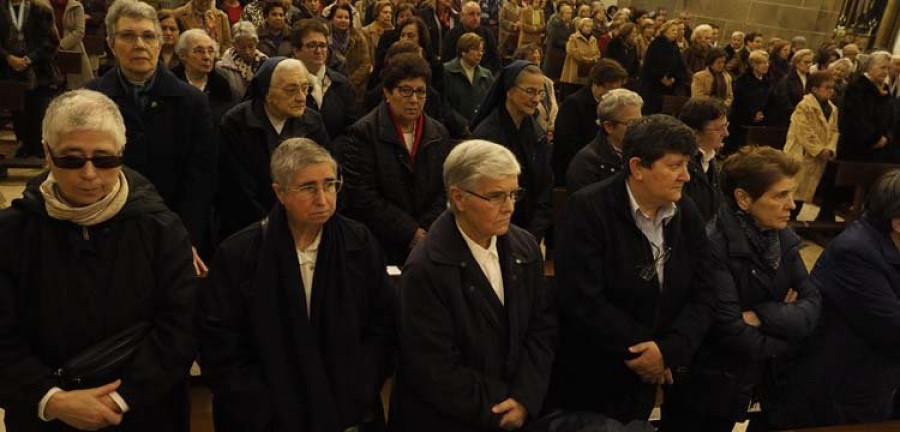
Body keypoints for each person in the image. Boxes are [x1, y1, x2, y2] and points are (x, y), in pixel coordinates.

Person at [0, 89, 196, 431]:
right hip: (45, 414)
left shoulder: (161, 227)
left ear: (122, 153)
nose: (89, 173)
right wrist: (52, 399)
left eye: (104, 159)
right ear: (47, 153)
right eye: (72, 159)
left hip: (144, 411)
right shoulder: (12, 233)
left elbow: (181, 325)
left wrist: (120, 399)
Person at [200, 138, 395, 432]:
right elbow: (220, 345)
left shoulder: (359, 243)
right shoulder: (240, 255)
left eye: (330, 184)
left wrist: (360, 388)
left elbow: (382, 325)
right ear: (280, 193)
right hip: (266, 416)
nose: (323, 198)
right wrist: (265, 410)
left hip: (347, 410)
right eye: (308, 188)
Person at [547, 114, 714, 425]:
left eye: (687, 165)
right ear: (638, 167)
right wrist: (646, 352)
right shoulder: (588, 210)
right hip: (594, 372)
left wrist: (669, 350)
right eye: (674, 165)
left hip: (653, 370)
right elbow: (582, 300)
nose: (686, 176)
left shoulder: (685, 212)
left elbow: (704, 290)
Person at [391, 139, 557, 432]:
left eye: (513, 194)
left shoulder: (525, 246)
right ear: (459, 197)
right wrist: (502, 407)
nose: (509, 207)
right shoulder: (426, 268)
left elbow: (541, 328)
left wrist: (525, 398)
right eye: (495, 196)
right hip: (448, 420)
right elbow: (434, 367)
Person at [661, 146, 820, 431]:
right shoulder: (713, 246)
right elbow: (732, 330)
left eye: (790, 194)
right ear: (744, 199)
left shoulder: (783, 238)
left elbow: (812, 303)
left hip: (754, 377)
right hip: (707, 386)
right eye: (780, 195)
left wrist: (761, 314)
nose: (791, 205)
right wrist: (788, 335)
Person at [86, 0, 215, 275]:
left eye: (148, 36)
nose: (139, 44)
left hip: (172, 228)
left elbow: (200, 179)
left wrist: (185, 238)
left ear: (160, 42)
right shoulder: (91, 98)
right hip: (106, 229)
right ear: (111, 43)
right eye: (127, 36)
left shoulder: (192, 102)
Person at [767, 170, 900, 428]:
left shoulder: (887, 242)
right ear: (897, 222)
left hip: (873, 384)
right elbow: (893, 327)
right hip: (837, 393)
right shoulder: (857, 252)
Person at [337, 53, 450, 265]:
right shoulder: (364, 133)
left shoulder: (438, 133)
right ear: (387, 92)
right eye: (405, 90)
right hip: (382, 243)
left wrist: (425, 231)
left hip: (429, 240)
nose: (414, 99)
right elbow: (362, 195)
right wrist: (410, 233)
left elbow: (445, 188)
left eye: (420, 92)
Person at [217, 57, 330, 240]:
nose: (302, 97)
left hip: (305, 224)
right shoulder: (237, 123)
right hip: (252, 230)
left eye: (305, 88)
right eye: (291, 90)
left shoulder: (312, 121)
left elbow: (325, 175)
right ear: (266, 92)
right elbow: (238, 191)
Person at [471, 61, 554, 243]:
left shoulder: (537, 135)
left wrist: (533, 235)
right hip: (492, 232)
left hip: (530, 233)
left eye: (540, 93)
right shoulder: (486, 135)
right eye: (530, 91)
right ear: (509, 91)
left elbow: (545, 188)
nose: (536, 99)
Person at [553, 59, 627, 185]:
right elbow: (566, 146)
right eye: (610, 89)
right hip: (579, 171)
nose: (614, 94)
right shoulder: (574, 104)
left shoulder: (613, 105)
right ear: (596, 84)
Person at [1, 0, 58, 159]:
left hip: (38, 71)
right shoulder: (2, 8)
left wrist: (30, 58)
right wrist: (8, 57)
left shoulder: (40, 9)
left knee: (37, 111)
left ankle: (39, 149)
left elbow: (51, 42)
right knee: (18, 113)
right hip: (8, 71)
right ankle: (22, 147)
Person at [291, 18, 361, 140]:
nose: (318, 51)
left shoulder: (341, 84)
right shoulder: (287, 85)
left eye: (323, 45)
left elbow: (353, 128)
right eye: (312, 45)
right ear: (297, 50)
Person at [784, 71, 839, 218]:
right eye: (827, 87)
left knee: (808, 190)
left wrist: (830, 148)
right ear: (814, 89)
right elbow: (804, 130)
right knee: (795, 191)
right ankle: (786, 220)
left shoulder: (833, 108)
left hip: (821, 156)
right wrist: (819, 150)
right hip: (802, 154)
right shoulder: (804, 106)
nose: (831, 91)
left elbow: (834, 131)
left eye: (832, 87)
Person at [566, 88, 642, 192]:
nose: (639, 128)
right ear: (609, 127)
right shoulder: (585, 165)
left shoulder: (645, 153)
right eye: (631, 123)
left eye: (640, 121)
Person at [839, 51, 898, 162]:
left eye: (888, 68)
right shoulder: (857, 88)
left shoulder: (885, 90)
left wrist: (886, 138)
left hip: (879, 151)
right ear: (870, 67)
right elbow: (856, 118)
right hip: (856, 150)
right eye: (882, 68)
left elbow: (891, 118)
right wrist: (874, 139)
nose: (886, 72)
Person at [678, 97, 728, 225]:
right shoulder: (681, 164)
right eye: (719, 129)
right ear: (695, 131)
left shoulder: (711, 160)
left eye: (726, 126)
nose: (726, 133)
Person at [174, 29, 241, 120]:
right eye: (199, 51)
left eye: (210, 51)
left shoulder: (226, 92)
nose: (207, 57)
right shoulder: (168, 88)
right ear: (182, 55)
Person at [443, 32, 494, 137]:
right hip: (453, 133)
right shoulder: (446, 71)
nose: (480, 54)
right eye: (476, 49)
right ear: (463, 51)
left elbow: (492, 103)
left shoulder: (487, 75)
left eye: (482, 50)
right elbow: (443, 104)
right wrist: (462, 125)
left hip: (481, 132)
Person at [639, 19, 687, 114]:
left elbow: (679, 65)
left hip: (669, 85)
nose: (675, 33)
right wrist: (662, 77)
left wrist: (673, 79)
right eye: (672, 30)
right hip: (652, 84)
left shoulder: (675, 47)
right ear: (665, 30)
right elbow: (651, 63)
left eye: (677, 31)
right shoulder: (657, 43)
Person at [326, 3, 372, 103]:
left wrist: (348, 83)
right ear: (331, 19)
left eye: (346, 17)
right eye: (339, 17)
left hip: (354, 90)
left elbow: (365, 64)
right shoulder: (325, 38)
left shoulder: (359, 38)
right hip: (329, 89)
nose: (343, 20)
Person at [728, 49, 771, 154]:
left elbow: (770, 100)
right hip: (742, 121)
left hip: (761, 120)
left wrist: (763, 114)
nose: (766, 65)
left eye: (767, 62)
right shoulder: (743, 80)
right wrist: (752, 115)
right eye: (762, 63)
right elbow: (739, 101)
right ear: (753, 65)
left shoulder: (768, 81)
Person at [441, 1, 501, 71]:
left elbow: (496, 61)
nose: (475, 18)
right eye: (471, 14)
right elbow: (447, 62)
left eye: (478, 14)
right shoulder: (451, 36)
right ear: (462, 16)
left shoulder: (487, 34)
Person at [216, 21, 269, 98]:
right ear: (234, 45)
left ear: (256, 44)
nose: (247, 52)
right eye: (242, 47)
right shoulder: (222, 67)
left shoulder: (265, 62)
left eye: (251, 46)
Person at [558, 17, 600, 99]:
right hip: (575, 70)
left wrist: (593, 59)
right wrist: (585, 59)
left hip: (588, 70)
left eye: (590, 27)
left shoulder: (593, 39)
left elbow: (597, 53)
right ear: (581, 26)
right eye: (587, 26)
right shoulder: (574, 38)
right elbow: (572, 51)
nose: (589, 28)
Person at [769, 48, 812, 127]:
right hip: (790, 120)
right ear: (797, 63)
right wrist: (798, 114)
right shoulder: (787, 80)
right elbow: (784, 102)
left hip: (807, 120)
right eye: (806, 62)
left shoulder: (812, 79)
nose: (809, 65)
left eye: (810, 62)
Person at [55, 0, 93, 88]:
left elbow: (79, 31)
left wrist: (60, 45)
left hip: (72, 50)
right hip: (48, 52)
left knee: (75, 90)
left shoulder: (76, 6)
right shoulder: (43, 6)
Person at [541, 1, 572, 82]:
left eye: (571, 13)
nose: (570, 15)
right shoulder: (554, 22)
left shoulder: (569, 24)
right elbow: (554, 39)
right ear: (562, 13)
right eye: (568, 13)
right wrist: (567, 43)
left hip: (563, 55)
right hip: (554, 55)